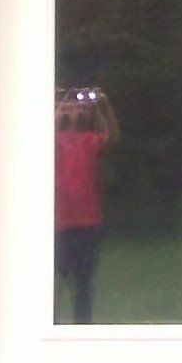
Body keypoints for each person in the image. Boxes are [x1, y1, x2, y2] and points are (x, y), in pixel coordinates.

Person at [54, 86, 118, 324]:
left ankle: (83, 328)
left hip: (87, 221)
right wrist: (58, 110)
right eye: (69, 107)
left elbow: (111, 136)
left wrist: (102, 106)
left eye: (78, 107)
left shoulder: (89, 140)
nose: (73, 112)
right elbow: (38, 135)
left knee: (83, 282)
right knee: (54, 279)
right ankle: (50, 327)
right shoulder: (53, 141)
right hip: (58, 221)